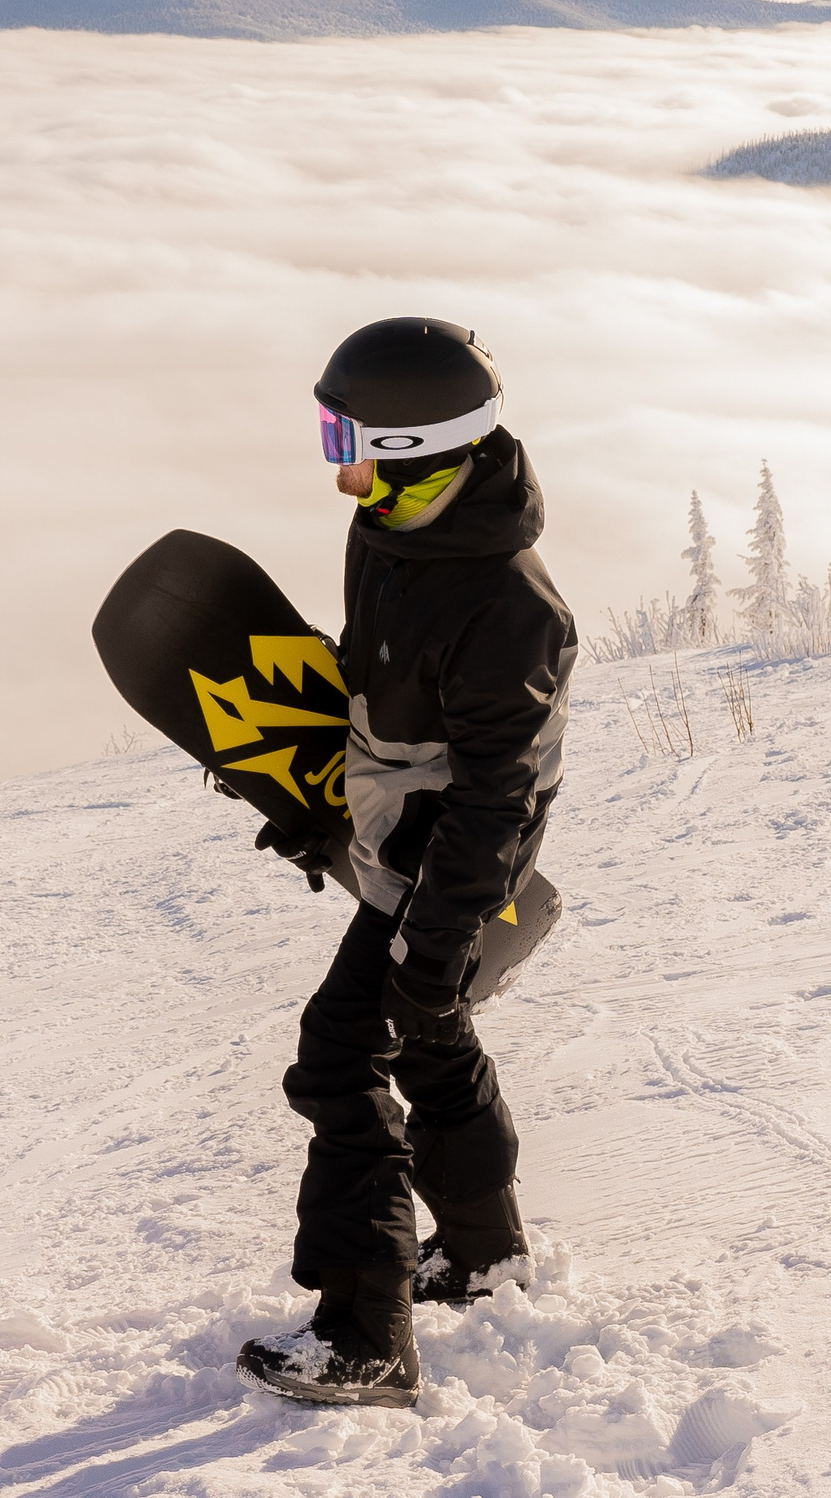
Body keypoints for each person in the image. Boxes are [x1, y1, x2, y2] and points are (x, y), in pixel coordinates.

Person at [237, 320, 578, 1409]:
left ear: (417, 440)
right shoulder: (387, 533)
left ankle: (365, 1333)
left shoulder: (507, 605)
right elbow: (371, 687)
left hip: (452, 871)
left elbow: (494, 795)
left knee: (339, 1054)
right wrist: (315, 810)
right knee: (429, 1033)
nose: (338, 459)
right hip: (397, 843)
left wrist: (435, 936)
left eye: (349, 433)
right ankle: (483, 1254)